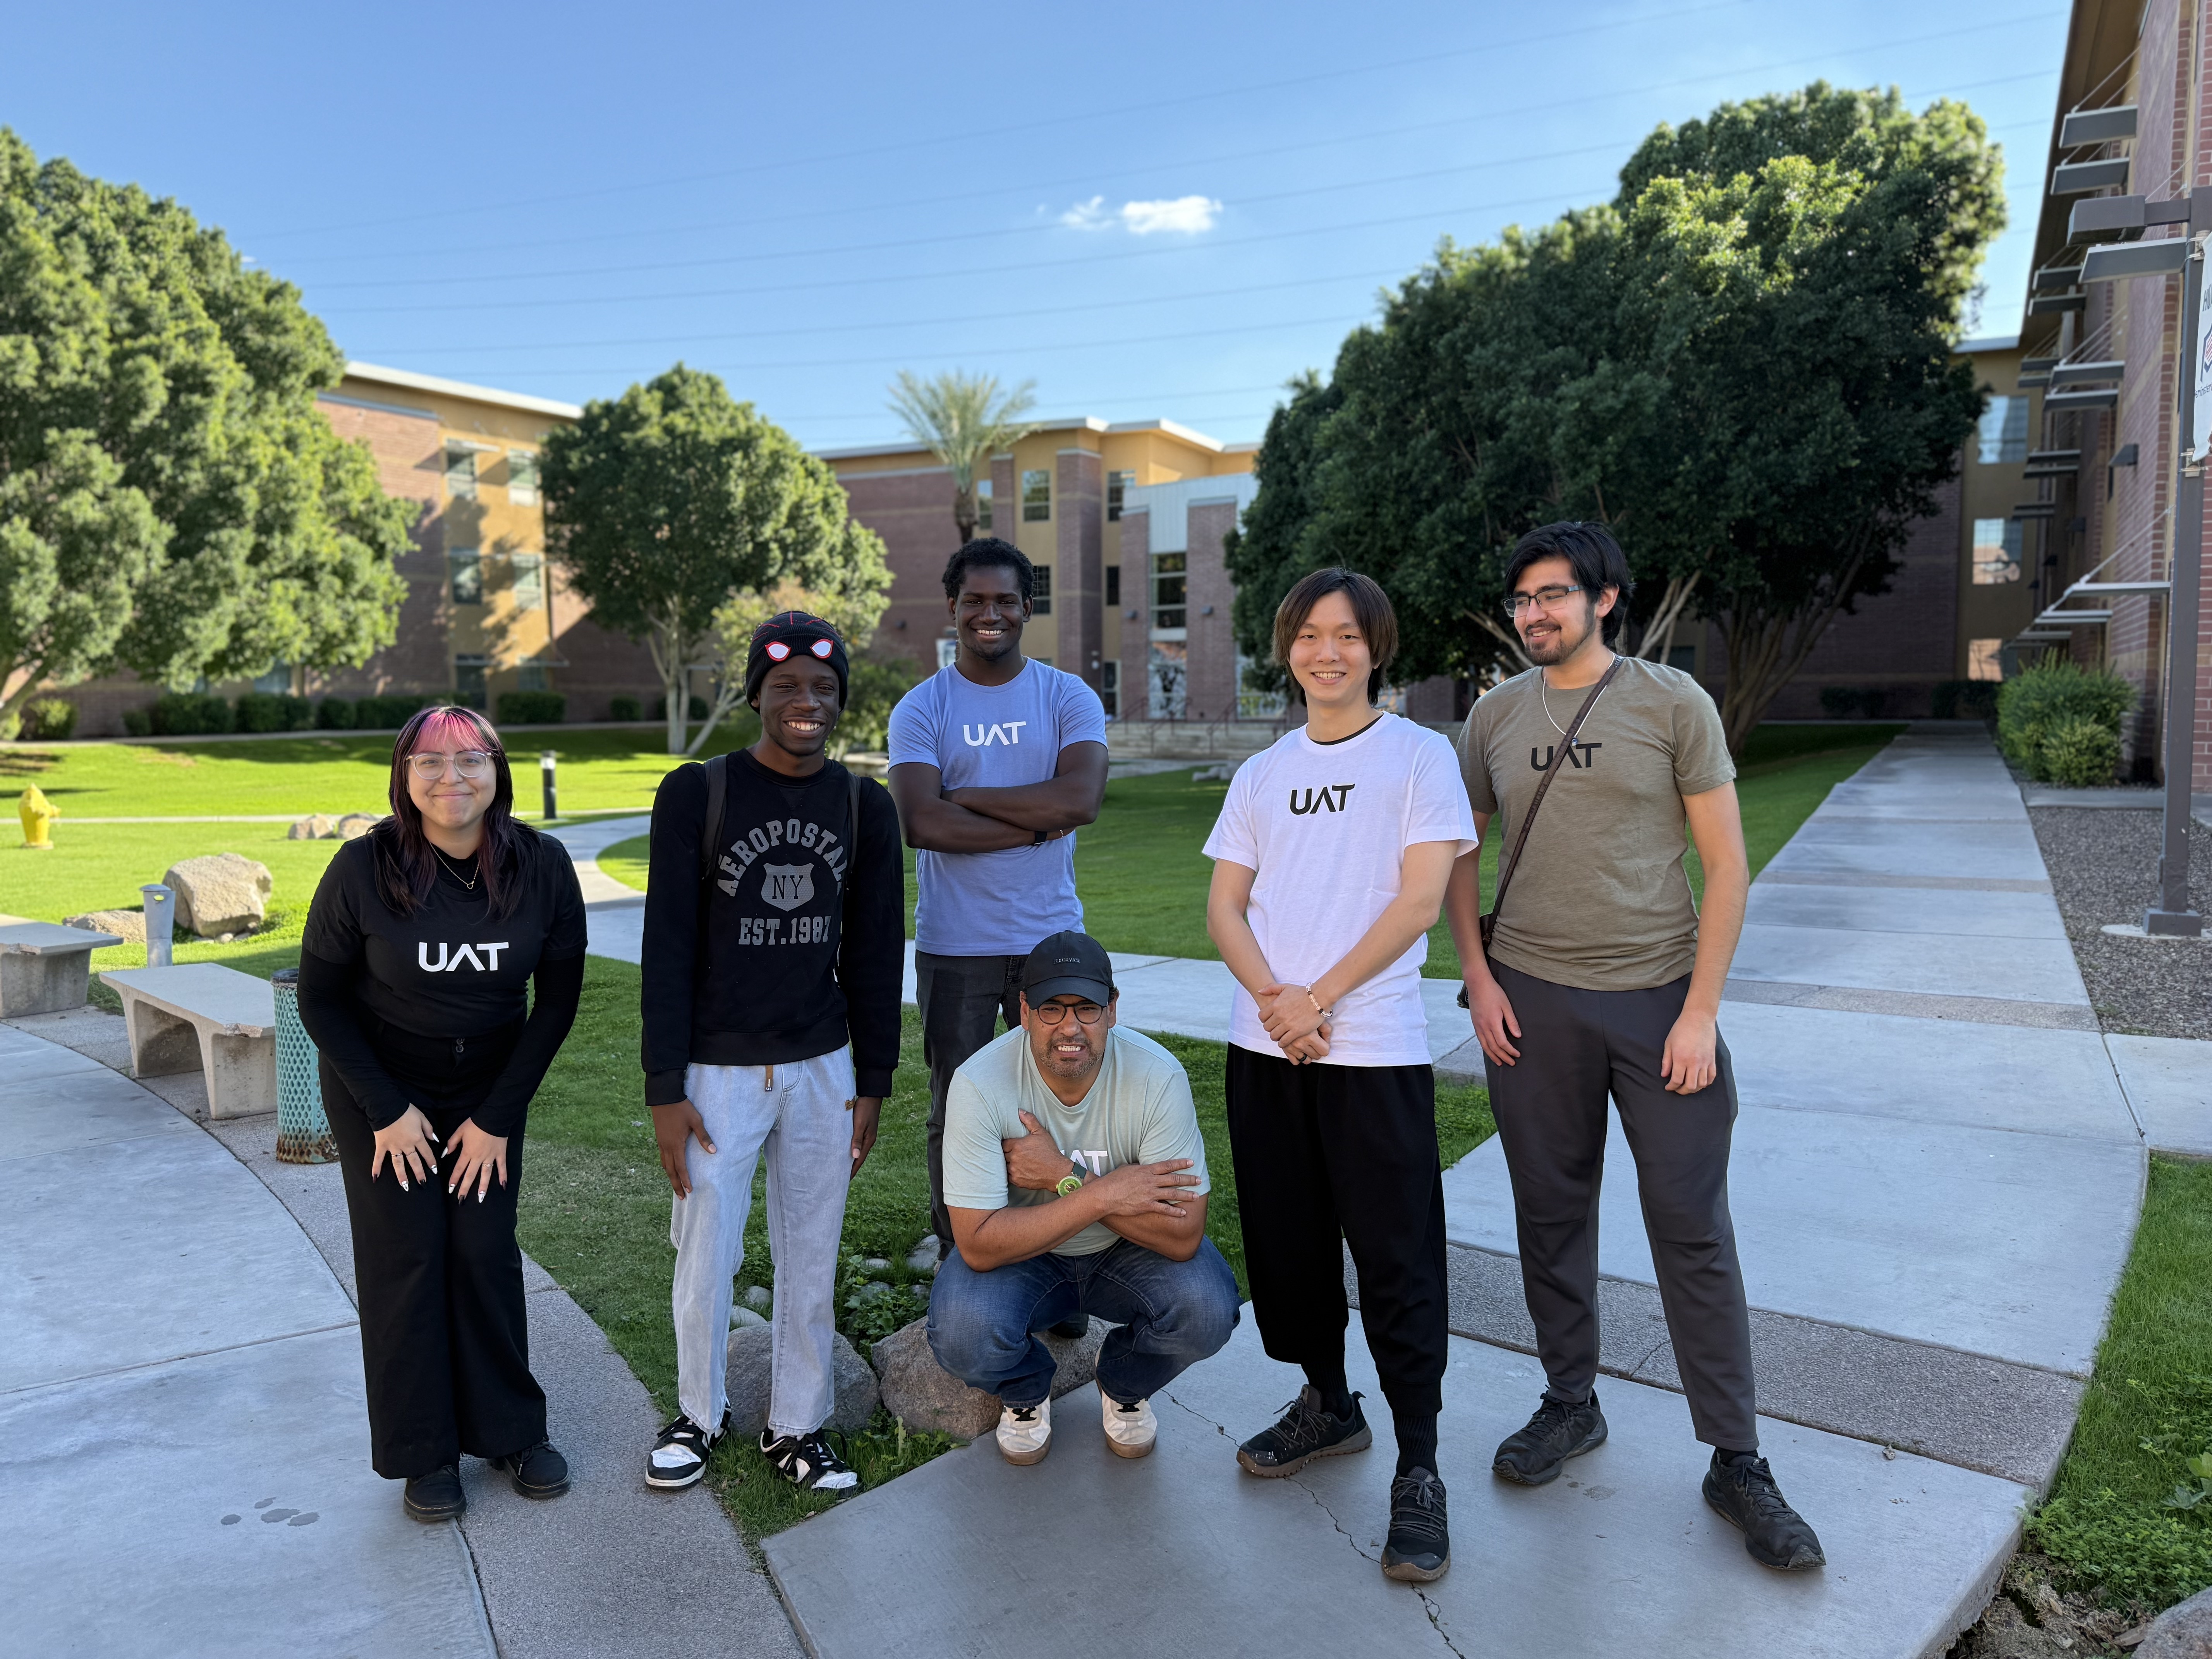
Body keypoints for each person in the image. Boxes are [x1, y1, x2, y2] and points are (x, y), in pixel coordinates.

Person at [1445, 521, 1825, 1572]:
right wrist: (1477, 979)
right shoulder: (1491, 715)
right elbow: (1461, 856)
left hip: (1660, 1003)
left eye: (1554, 595)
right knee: (1549, 1214)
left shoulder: (1674, 703)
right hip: (1529, 1004)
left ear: (1605, 598)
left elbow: (1728, 868)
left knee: (1690, 1226)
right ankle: (1571, 1400)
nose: (1535, 614)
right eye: (1521, 599)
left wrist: (1700, 1012)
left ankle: (1736, 1457)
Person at [1202, 568, 1477, 1586]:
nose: (1327, 651)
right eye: (1310, 634)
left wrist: (1317, 999)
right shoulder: (1262, 774)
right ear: (1288, 649)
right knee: (1291, 1244)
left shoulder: (1420, 757)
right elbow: (1226, 907)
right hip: (1265, 1048)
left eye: (1347, 635)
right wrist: (1279, 999)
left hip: (1373, 1052)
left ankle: (1419, 1462)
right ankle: (1330, 1402)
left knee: (1399, 1257)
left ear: (1377, 647)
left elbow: (1418, 902)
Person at [638, 613, 905, 1494]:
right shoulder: (699, 792)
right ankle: (698, 1415)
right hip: (718, 1068)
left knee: (811, 1246)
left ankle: (798, 1425)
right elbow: (667, 946)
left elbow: (873, 954)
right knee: (707, 1241)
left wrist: (874, 1081)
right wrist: (663, 1087)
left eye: (825, 690)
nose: (807, 703)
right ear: (757, 693)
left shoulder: (866, 807)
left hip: (824, 1064)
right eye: (787, 686)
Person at [299, 705, 585, 1523]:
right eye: (430, 762)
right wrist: (387, 1110)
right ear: (405, 776)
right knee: (407, 1257)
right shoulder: (363, 868)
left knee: (483, 1249)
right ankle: (423, 1452)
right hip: (380, 1092)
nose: (450, 778)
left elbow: (557, 1002)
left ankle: (510, 1432)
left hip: (485, 1093)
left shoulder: (542, 864)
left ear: (498, 772)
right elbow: (320, 997)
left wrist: (498, 1117)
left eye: (470, 761)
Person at [887, 536, 1108, 1334]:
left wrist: (969, 801)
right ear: (953, 609)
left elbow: (1080, 801)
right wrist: (1031, 818)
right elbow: (919, 819)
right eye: (974, 600)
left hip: (1051, 941)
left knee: (1067, 1101)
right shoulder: (923, 707)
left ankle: (1061, 1254)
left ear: (1026, 608)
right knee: (959, 1103)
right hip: (956, 942)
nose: (990, 614)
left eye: (1005, 600)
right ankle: (964, 1253)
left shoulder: (1067, 697)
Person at [926, 931, 1238, 1465]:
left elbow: (1184, 1236)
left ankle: (1123, 1381)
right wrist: (1110, 1192)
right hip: (1026, 1258)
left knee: (1207, 1309)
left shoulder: (1158, 1078)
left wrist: (1066, 1177)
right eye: (1052, 1008)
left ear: (1113, 1011)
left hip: (1126, 1256)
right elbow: (977, 1245)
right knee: (961, 1333)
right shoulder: (980, 1083)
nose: (1070, 1027)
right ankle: (1025, 1389)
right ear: (1023, 1012)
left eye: (1087, 1008)